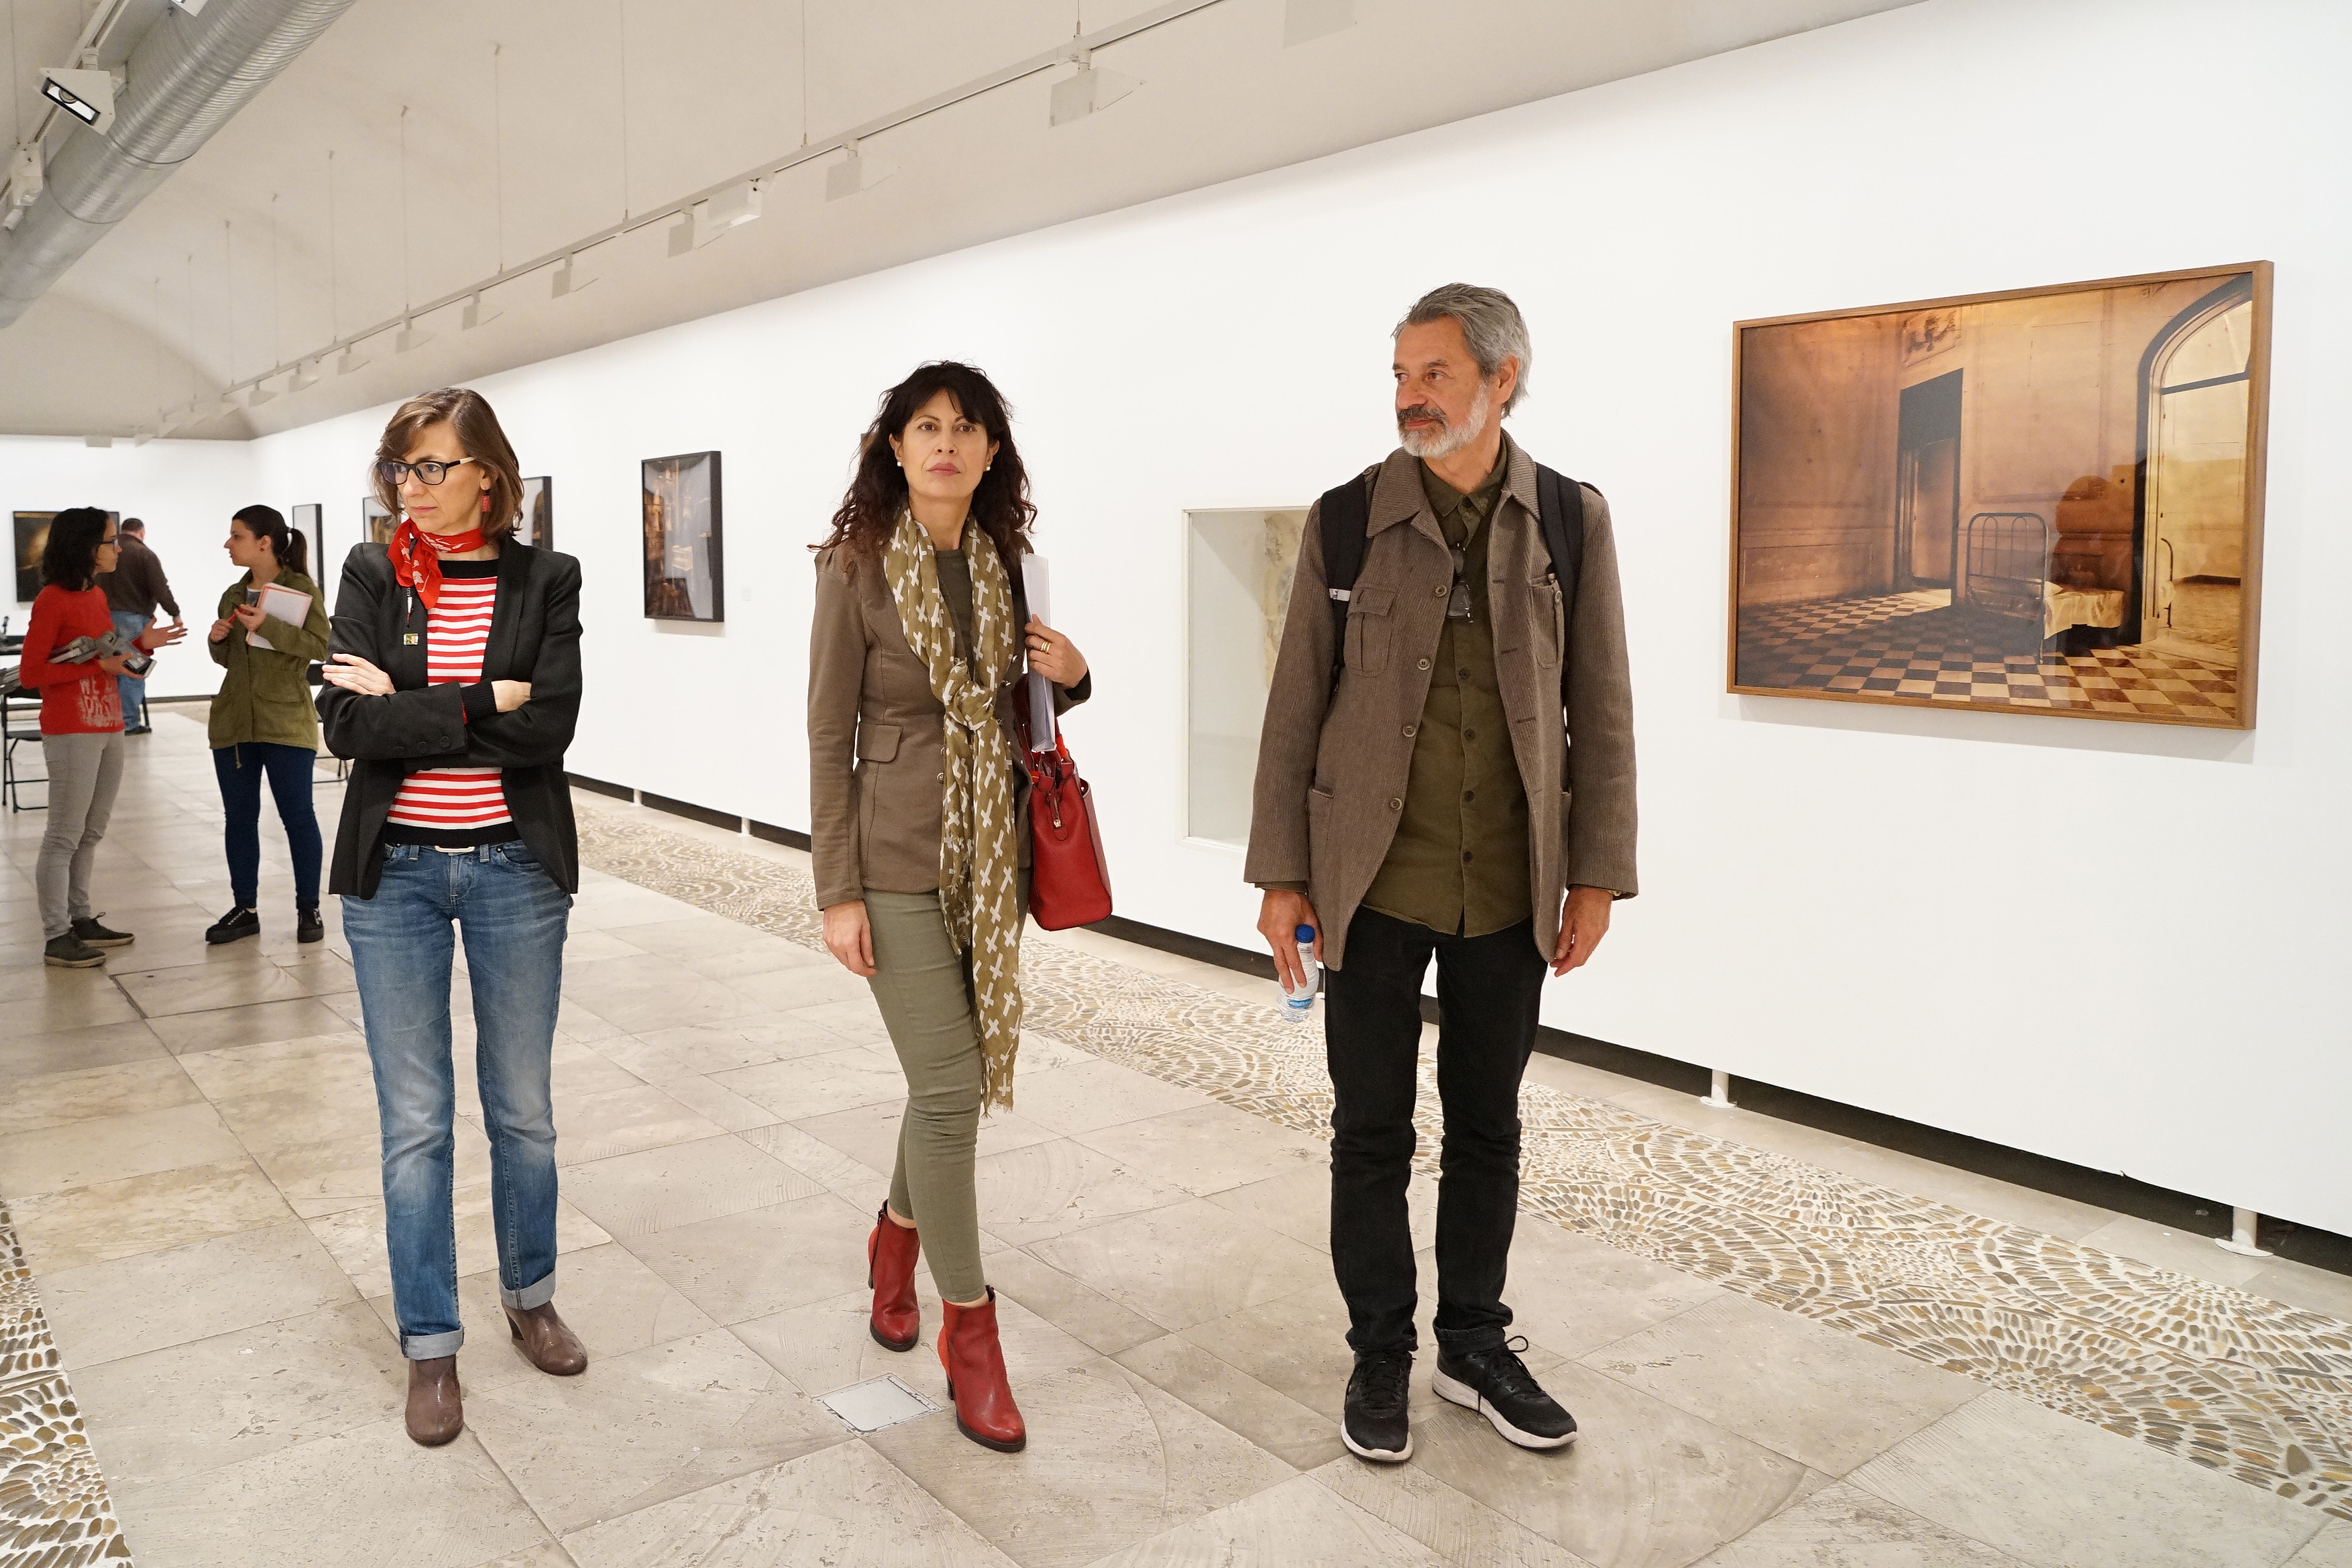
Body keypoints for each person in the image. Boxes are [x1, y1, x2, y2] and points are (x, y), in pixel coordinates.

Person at [1246, 284, 1637, 1464]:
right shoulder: (1347, 519)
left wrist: (1596, 874)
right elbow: (1293, 703)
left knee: (1486, 1126)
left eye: (1434, 374)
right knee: (1369, 1130)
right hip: (1368, 881)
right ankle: (1379, 1347)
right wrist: (1281, 873)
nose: (1410, 396)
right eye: (1400, 375)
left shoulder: (1567, 519)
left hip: (1509, 887)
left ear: (1501, 378)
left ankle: (1471, 1341)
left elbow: (1601, 707)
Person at [808, 361, 1093, 1455]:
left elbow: (1027, 705)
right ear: (895, 447)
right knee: (948, 1086)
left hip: (991, 856)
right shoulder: (853, 567)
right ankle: (969, 1331)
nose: (944, 444)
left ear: (989, 452)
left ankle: (894, 1239)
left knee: (946, 1082)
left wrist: (1073, 674)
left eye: (965, 429)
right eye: (925, 427)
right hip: (890, 856)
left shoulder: (1007, 562)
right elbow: (827, 733)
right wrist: (836, 889)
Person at [317, 387, 587, 1448]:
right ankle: (431, 1344)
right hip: (397, 877)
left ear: (487, 474)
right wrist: (480, 700)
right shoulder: (371, 572)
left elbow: (549, 729)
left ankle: (531, 1295)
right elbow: (347, 726)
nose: (413, 488)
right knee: (416, 1123)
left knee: (523, 1109)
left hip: (516, 867)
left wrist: (408, 705)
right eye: (401, 469)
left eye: (433, 466)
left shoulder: (545, 578)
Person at [18, 508, 188, 966]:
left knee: (91, 831)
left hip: (108, 723)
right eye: (110, 542)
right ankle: (56, 935)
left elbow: (108, 655)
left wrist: (144, 645)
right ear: (85, 547)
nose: (118, 549)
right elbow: (32, 673)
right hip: (71, 728)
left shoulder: (95, 595)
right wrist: (99, 667)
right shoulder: (52, 599)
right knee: (64, 835)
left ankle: (80, 918)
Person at [204, 505, 331, 946]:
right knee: (239, 819)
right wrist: (217, 641)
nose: (228, 544)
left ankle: (308, 907)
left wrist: (269, 626)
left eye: (236, 536)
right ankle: (245, 909)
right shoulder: (232, 594)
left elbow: (321, 646)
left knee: (298, 816)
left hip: (286, 721)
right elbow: (230, 661)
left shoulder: (301, 590)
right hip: (234, 723)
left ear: (264, 543)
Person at [101, 517, 182, 734]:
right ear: (142, 532)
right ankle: (128, 723)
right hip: (134, 620)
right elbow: (160, 588)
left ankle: (110, 720)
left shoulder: (107, 552)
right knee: (133, 670)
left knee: (110, 669)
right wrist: (174, 613)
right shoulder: (144, 554)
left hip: (104, 618)